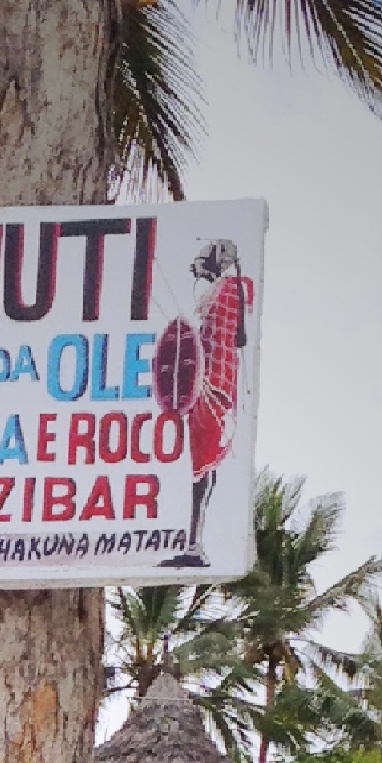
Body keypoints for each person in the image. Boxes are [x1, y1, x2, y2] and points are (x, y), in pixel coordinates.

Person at [163, 237, 248, 569]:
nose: (196, 272)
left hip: (215, 389)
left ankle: (194, 544)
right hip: (204, 388)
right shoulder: (220, 295)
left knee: (203, 466)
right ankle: (191, 542)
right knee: (198, 467)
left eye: (201, 265)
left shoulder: (233, 290)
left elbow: (234, 332)